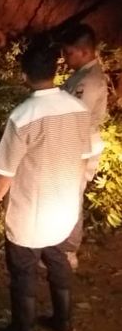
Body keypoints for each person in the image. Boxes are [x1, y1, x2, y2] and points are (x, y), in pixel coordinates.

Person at [0, 39, 93, 331]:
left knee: (23, 267)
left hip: (30, 209)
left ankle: (24, 329)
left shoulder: (23, 115)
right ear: (56, 71)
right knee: (57, 258)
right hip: (64, 205)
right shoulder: (78, 108)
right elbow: (85, 155)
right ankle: (63, 320)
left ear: (24, 75)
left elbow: (6, 170)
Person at [58, 24, 110, 267]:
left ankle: (68, 252)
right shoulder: (82, 74)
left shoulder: (89, 80)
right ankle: (59, 246)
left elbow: (77, 118)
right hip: (74, 145)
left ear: (84, 51)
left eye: (68, 53)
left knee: (70, 197)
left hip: (79, 148)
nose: (65, 58)